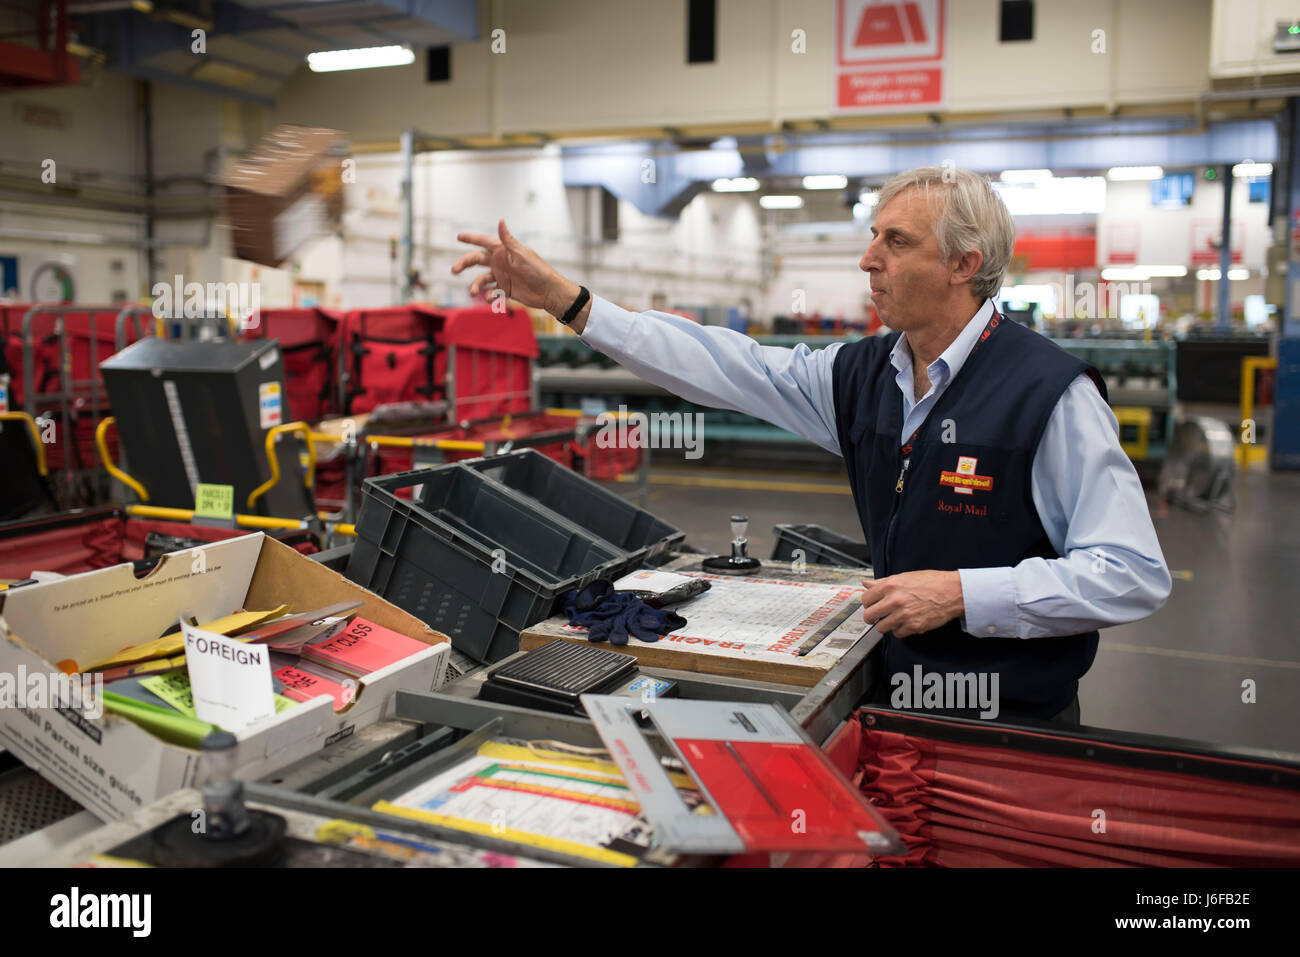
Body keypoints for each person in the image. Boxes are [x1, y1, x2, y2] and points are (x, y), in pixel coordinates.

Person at [452, 165, 1171, 725]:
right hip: (894, 702)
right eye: (873, 236)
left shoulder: (1049, 393)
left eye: (896, 242)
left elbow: (1131, 571)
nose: (868, 259)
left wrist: (963, 593)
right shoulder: (863, 375)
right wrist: (571, 303)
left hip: (1010, 730)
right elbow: (723, 364)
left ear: (962, 265)